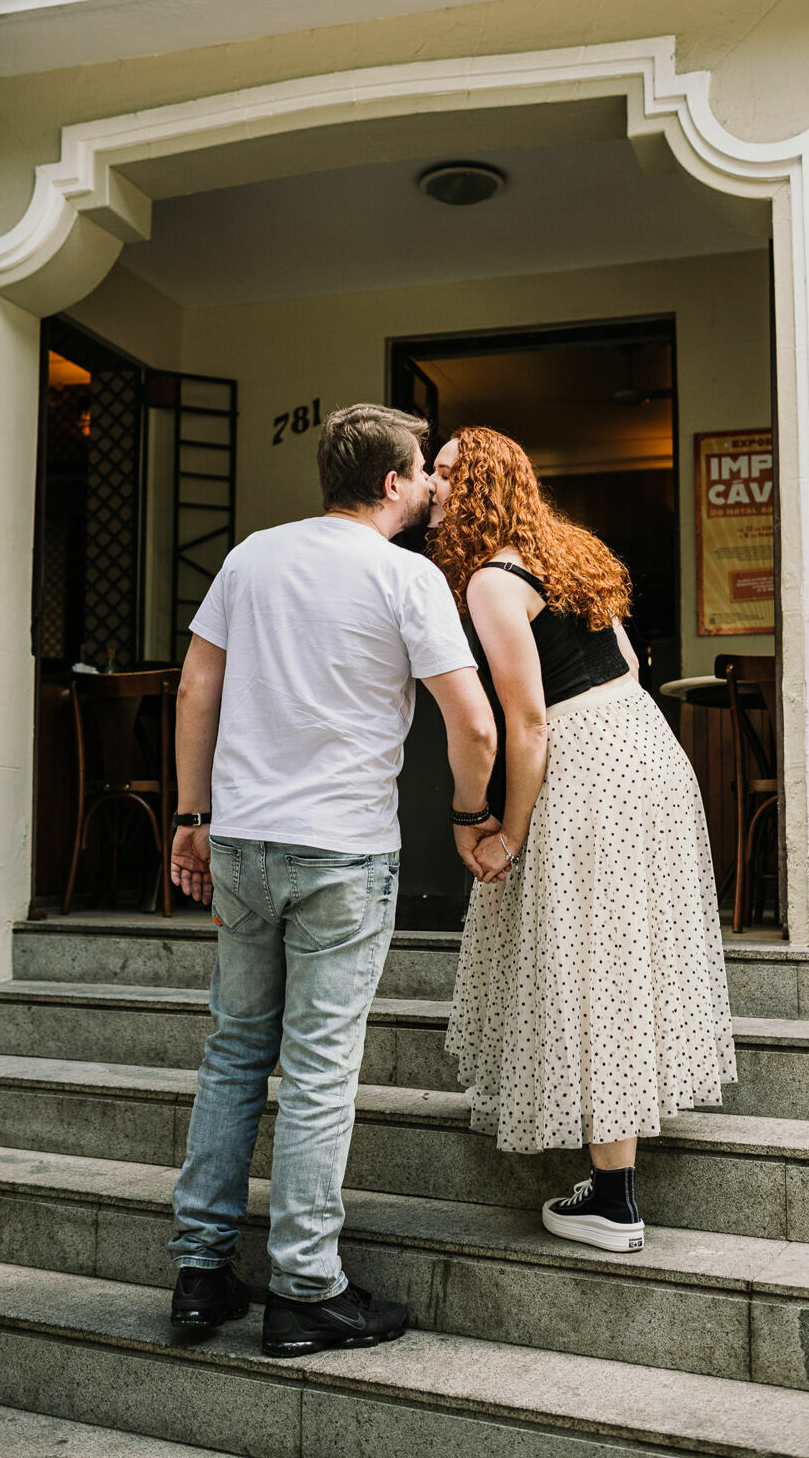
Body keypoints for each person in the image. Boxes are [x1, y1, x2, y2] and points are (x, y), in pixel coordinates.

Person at [167, 403, 497, 1358]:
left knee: (233, 1053)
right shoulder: (406, 577)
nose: (435, 481)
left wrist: (192, 819)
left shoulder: (253, 556)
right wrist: (469, 815)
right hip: (342, 851)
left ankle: (200, 1274)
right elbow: (472, 725)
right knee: (315, 1069)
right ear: (392, 483)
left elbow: (196, 689)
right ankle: (305, 1287)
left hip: (243, 839)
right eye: (424, 468)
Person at [428, 427, 737, 1253]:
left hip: (583, 769)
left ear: (478, 487)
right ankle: (612, 1182)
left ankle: (612, 1200)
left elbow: (524, 724)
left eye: (447, 471)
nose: (432, 483)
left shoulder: (492, 582)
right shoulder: (566, 549)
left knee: (584, 963)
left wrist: (508, 833)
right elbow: (630, 667)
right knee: (624, 955)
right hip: (648, 754)